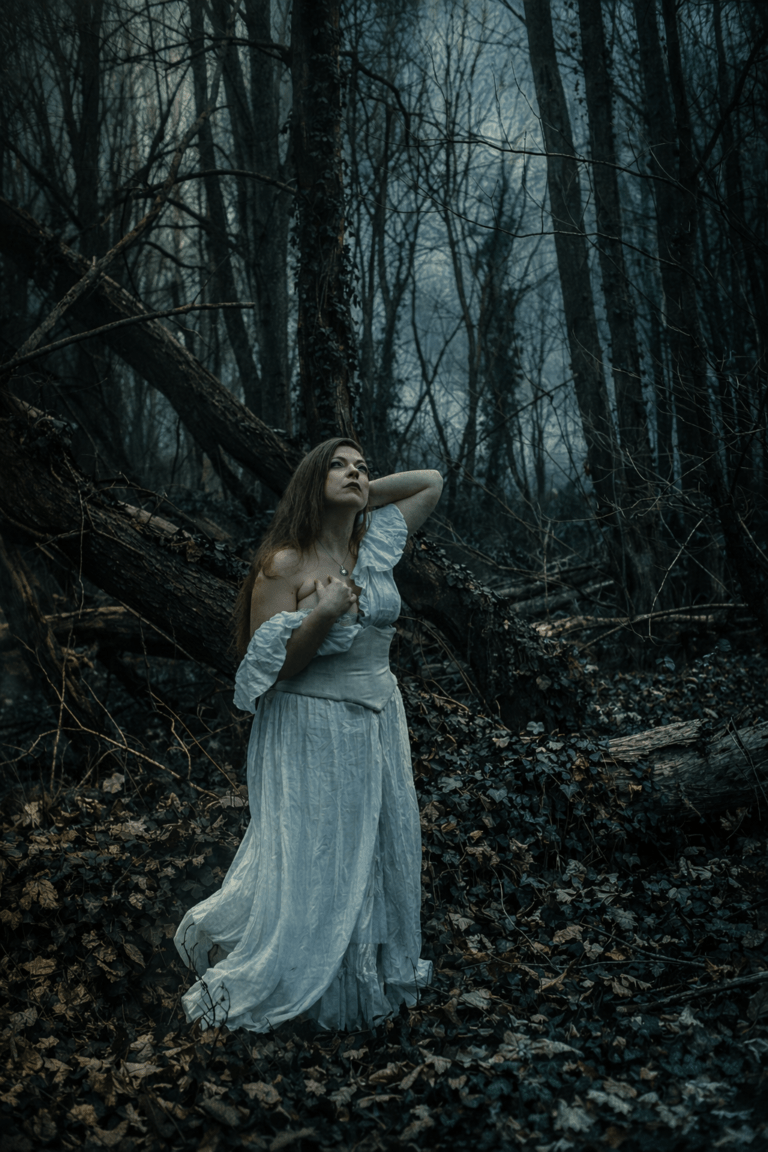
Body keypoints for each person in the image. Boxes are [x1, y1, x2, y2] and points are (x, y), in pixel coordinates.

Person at [174, 437, 443, 1033]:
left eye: (362, 467)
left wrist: (360, 496)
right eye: (338, 466)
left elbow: (431, 481)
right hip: (311, 725)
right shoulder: (284, 564)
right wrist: (323, 614)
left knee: (374, 850)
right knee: (317, 853)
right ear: (309, 482)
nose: (355, 472)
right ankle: (300, 982)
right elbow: (274, 669)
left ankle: (358, 984)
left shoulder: (372, 543)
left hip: (378, 720)